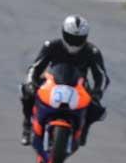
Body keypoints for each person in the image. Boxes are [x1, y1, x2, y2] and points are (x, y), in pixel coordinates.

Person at [20, 15, 109, 146]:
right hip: (52, 81)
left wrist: (97, 93)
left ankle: (84, 129)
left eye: (78, 39)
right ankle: (27, 125)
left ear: (85, 37)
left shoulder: (92, 52)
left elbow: (102, 77)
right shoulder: (51, 46)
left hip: (79, 86)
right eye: (71, 38)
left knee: (96, 108)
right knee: (26, 92)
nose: (74, 43)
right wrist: (30, 83)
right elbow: (35, 67)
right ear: (63, 33)